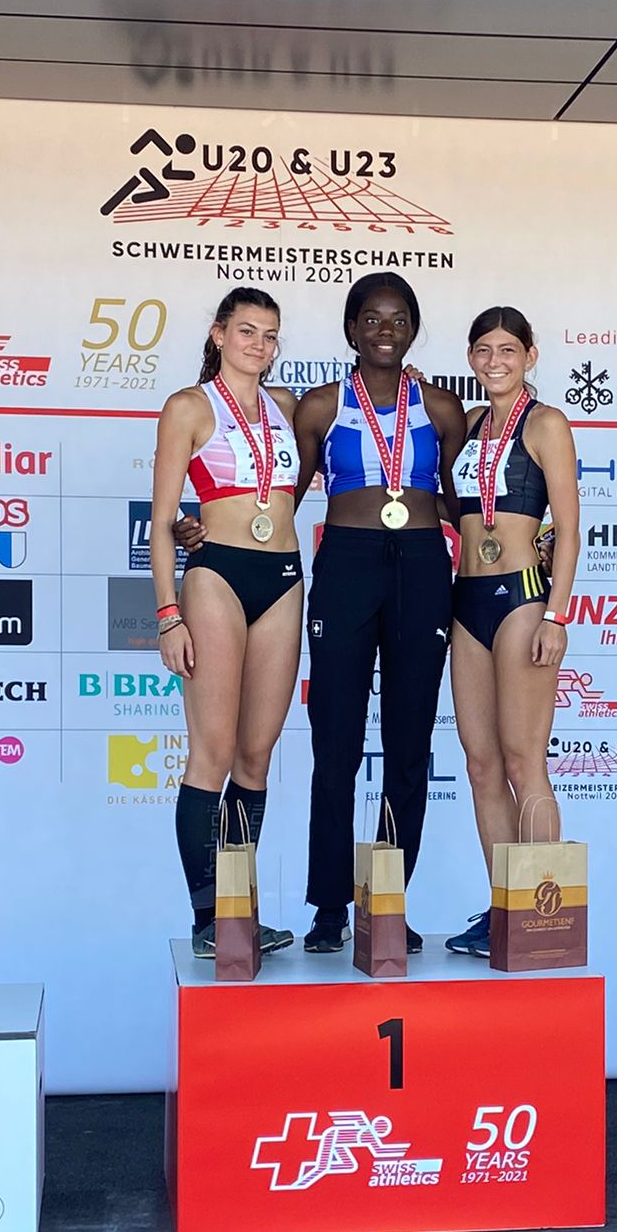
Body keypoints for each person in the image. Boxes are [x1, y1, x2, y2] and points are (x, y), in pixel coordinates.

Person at [292, 273, 469, 952]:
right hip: (347, 564)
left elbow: (459, 498)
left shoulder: (443, 407)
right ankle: (330, 907)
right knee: (334, 740)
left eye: (397, 319)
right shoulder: (320, 406)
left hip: (422, 566)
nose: (384, 330)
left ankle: (387, 902)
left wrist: (520, 535)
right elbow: (281, 496)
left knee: (409, 742)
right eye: (371, 318)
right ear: (351, 329)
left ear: (413, 330)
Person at [151, 287, 311, 959]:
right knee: (212, 753)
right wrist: (168, 616)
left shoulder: (287, 407)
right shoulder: (188, 407)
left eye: (270, 335)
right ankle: (207, 918)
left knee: (255, 756)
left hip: (284, 578)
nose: (259, 345)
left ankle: (239, 914)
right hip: (217, 574)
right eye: (246, 331)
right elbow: (163, 521)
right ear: (218, 334)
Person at [440, 308, 580, 957]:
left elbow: (569, 530)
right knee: (482, 765)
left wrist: (556, 615)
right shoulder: (472, 423)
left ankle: (545, 913)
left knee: (525, 761)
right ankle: (505, 909)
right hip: (466, 600)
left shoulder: (547, 423)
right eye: (483, 350)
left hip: (522, 598)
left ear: (530, 355)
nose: (494, 361)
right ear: (471, 357)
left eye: (507, 350)